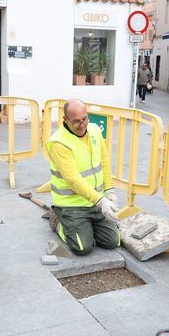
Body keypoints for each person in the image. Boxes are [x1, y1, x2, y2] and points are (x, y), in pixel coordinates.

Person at [46, 99, 121, 256]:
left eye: (84, 119)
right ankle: (57, 220)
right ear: (65, 120)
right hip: (71, 205)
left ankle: (87, 226)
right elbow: (73, 180)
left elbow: (104, 162)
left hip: (95, 201)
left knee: (112, 242)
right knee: (83, 247)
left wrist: (109, 190)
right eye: (76, 121)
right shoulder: (58, 143)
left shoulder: (94, 131)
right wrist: (101, 201)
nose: (82, 124)